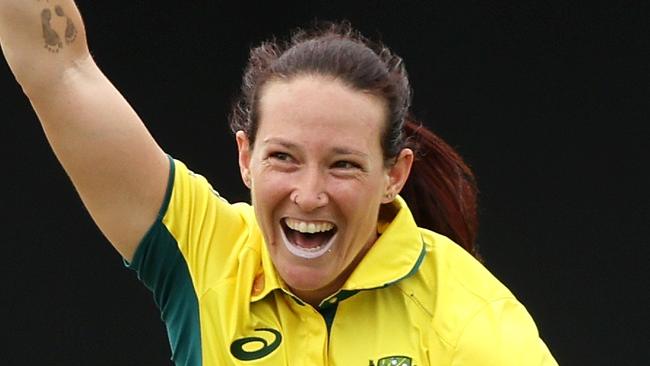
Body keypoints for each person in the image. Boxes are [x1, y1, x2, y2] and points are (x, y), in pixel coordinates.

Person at [0, 1, 557, 365]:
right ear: (245, 158)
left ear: (395, 176)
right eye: (284, 158)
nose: (309, 194)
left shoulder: (467, 312)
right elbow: (60, 69)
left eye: (343, 165)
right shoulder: (204, 253)